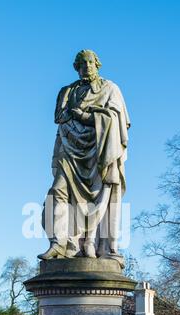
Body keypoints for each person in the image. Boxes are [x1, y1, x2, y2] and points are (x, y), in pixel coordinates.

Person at [38, 49, 130, 260]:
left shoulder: (110, 89)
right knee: (57, 191)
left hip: (100, 152)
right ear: (77, 67)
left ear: (97, 64)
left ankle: (91, 242)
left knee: (100, 199)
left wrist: (83, 115)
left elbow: (116, 121)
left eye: (90, 62)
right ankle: (59, 243)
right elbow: (60, 119)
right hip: (69, 150)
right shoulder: (67, 92)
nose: (86, 66)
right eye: (82, 63)